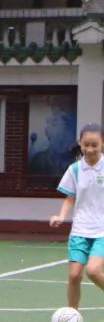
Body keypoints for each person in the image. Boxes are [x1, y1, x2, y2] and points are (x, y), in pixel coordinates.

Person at [49, 124, 104, 309]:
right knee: (74, 276)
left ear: (102, 144)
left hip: (102, 231)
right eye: (85, 144)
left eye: (94, 145)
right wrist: (61, 216)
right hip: (80, 229)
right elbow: (70, 198)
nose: (89, 149)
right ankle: (72, 315)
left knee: (94, 271)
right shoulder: (74, 170)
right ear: (80, 143)